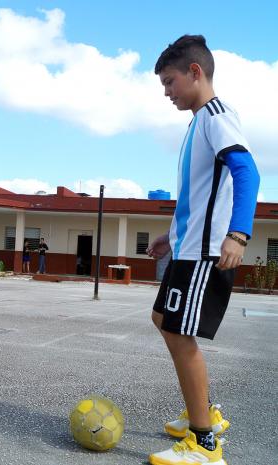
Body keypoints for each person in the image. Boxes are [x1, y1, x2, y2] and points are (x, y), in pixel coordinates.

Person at [146, 35, 259, 465]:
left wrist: (239, 234)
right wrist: (168, 236)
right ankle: (204, 411)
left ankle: (204, 444)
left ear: (196, 72)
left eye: (170, 82)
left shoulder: (216, 115)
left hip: (206, 253)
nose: (167, 92)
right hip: (187, 247)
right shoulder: (198, 123)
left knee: (178, 332)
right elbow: (197, 195)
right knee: (163, 319)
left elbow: (247, 171)